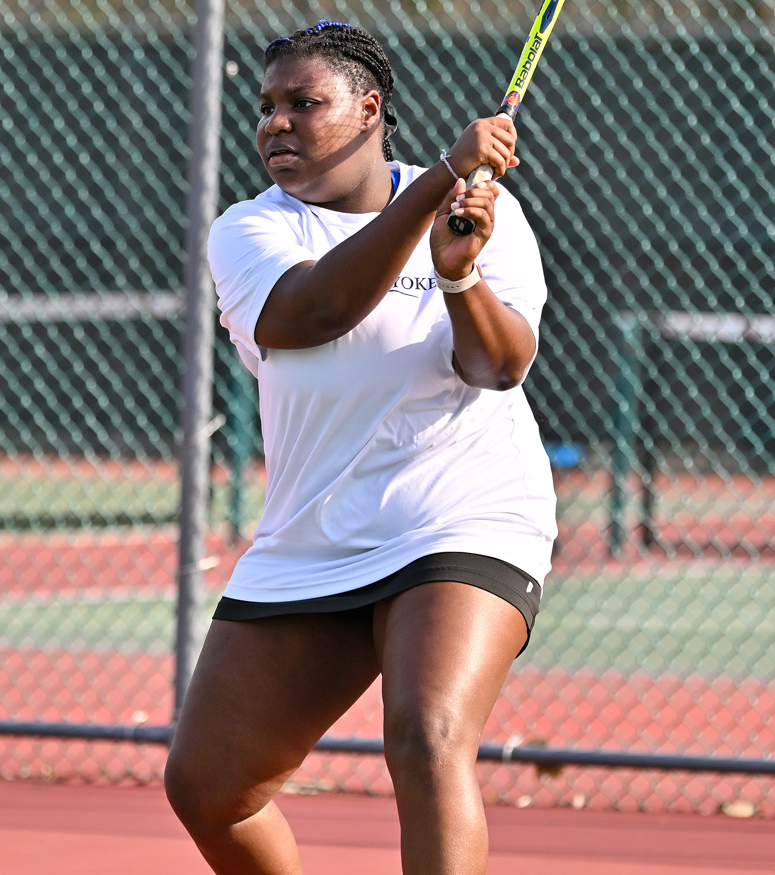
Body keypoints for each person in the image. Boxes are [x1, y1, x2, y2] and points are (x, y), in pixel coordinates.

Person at [164, 20, 556, 875]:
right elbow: (313, 313)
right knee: (208, 785)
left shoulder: (492, 216)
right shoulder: (250, 231)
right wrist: (440, 186)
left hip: (462, 515)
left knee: (427, 733)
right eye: (266, 106)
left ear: (369, 109)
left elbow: (498, 365)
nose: (275, 123)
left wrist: (458, 274)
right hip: (317, 533)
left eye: (303, 103)